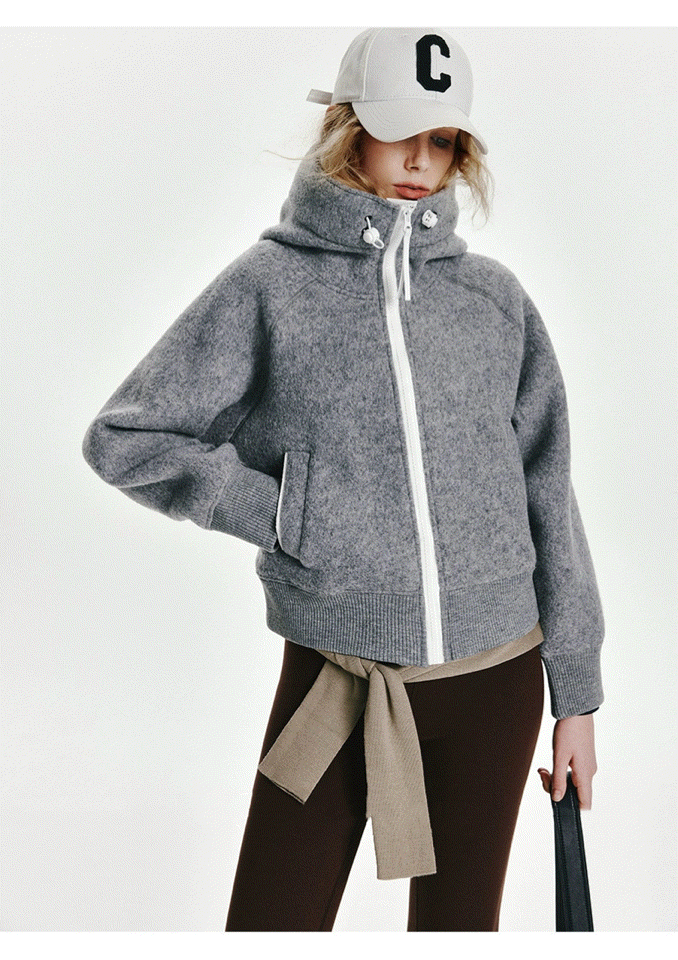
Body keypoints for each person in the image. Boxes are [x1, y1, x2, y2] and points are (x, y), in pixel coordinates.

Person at [81, 27, 604, 932]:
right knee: (269, 926)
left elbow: (548, 492)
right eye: (400, 132)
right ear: (347, 128)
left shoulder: (496, 302)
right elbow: (127, 436)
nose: (420, 161)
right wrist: (286, 511)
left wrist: (578, 698)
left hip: (498, 682)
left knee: (458, 933)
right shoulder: (269, 286)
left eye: (443, 141)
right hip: (338, 681)